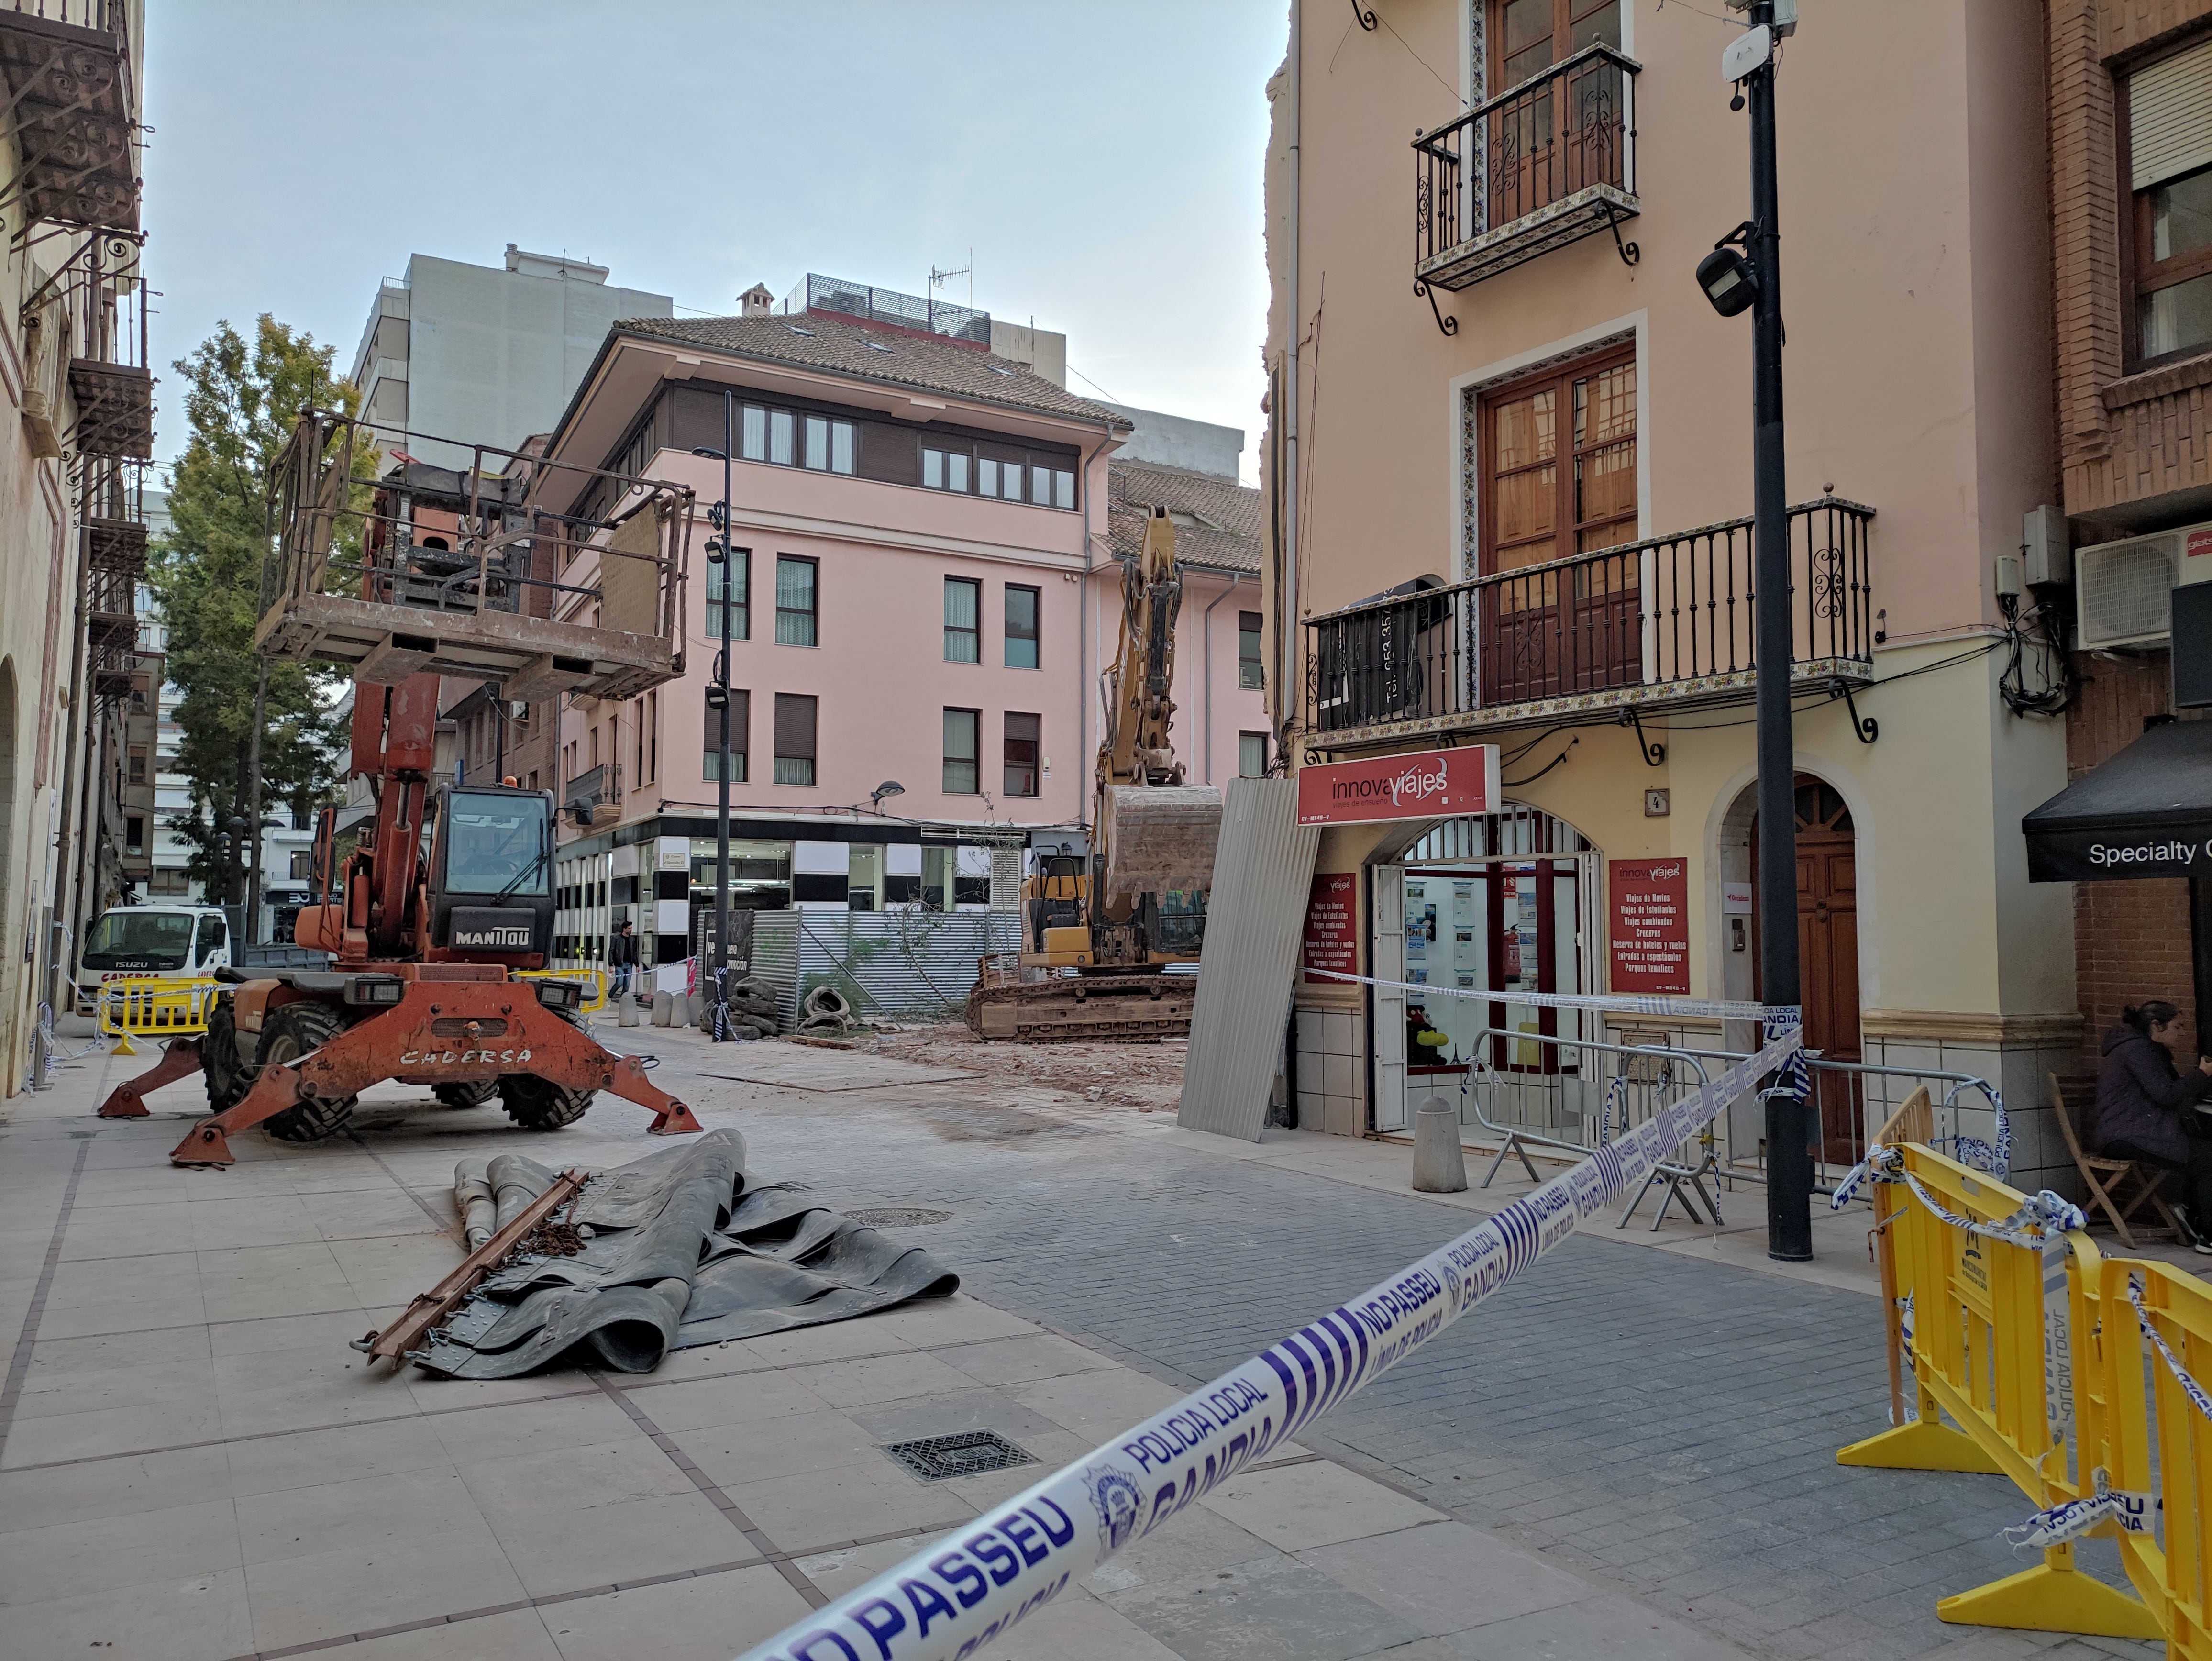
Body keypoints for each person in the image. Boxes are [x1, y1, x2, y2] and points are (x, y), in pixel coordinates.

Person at [2092, 1000, 2212, 1252]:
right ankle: (2207, 1234)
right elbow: (2166, 1094)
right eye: (2178, 1027)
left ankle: (2190, 1211)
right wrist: (2202, 1075)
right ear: (2157, 1027)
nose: (2183, 1033)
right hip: (2125, 1135)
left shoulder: (2144, 1049)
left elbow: (2171, 1094)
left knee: (2202, 1150)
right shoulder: (2138, 1050)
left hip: (2137, 1130)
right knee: (2207, 1158)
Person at [1406, 1002, 1449, 1067]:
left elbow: (1423, 1012)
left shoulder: (1419, 1008)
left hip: (1423, 1028)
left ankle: (1432, 1039)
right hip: (1418, 1030)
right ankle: (1430, 1039)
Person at [608, 920, 637, 1002]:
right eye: (629, 928)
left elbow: (634, 953)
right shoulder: (617, 939)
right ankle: (610, 995)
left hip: (629, 965)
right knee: (619, 982)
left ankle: (623, 1000)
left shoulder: (632, 939)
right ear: (624, 929)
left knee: (627, 984)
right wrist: (611, 964)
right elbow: (611, 951)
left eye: (631, 928)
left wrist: (637, 965)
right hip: (620, 965)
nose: (631, 930)